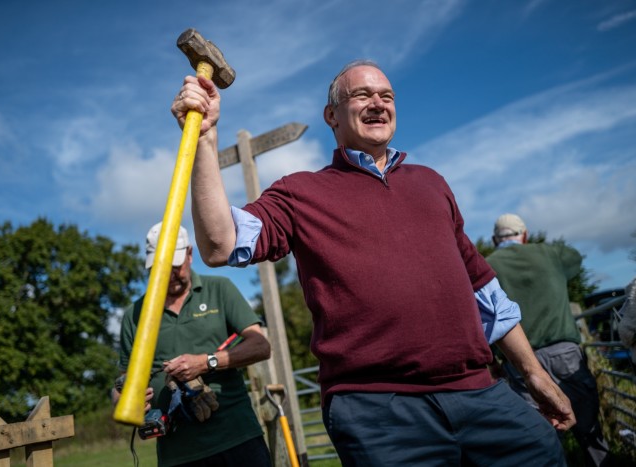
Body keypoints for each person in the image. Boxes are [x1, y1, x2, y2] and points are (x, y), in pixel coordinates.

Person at [171, 60, 575, 466]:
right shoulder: (301, 193)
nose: (378, 103)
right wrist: (205, 138)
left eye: (386, 96)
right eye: (362, 95)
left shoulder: (431, 183)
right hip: (378, 410)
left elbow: (483, 288)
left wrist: (534, 373)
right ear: (332, 115)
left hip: (479, 393)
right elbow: (220, 244)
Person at [113, 223, 272, 467]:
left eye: (175, 265)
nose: (169, 274)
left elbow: (260, 346)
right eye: (160, 268)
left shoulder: (220, 290)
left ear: (189, 254)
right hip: (177, 453)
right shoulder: (135, 314)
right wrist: (122, 401)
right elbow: (123, 382)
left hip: (237, 438)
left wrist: (206, 362)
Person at [486, 213, 611, 467]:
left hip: (520, 361)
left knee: (541, 436)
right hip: (564, 353)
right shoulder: (549, 253)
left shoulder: (488, 266)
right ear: (525, 235)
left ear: (494, 239)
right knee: (588, 430)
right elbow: (575, 259)